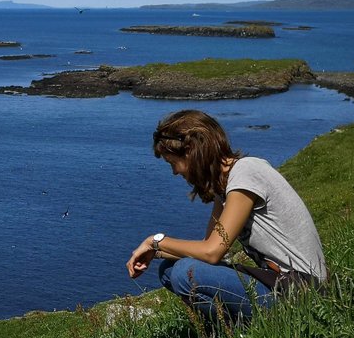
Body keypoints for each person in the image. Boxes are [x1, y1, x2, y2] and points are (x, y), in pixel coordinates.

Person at [126, 109, 327, 325]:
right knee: (169, 270)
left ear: (192, 151)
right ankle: (235, 332)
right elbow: (207, 248)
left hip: (303, 292)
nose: (175, 172)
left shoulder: (246, 172)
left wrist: (155, 241)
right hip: (279, 282)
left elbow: (213, 252)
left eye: (172, 162)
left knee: (185, 273)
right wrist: (157, 252)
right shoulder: (225, 188)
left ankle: (238, 333)